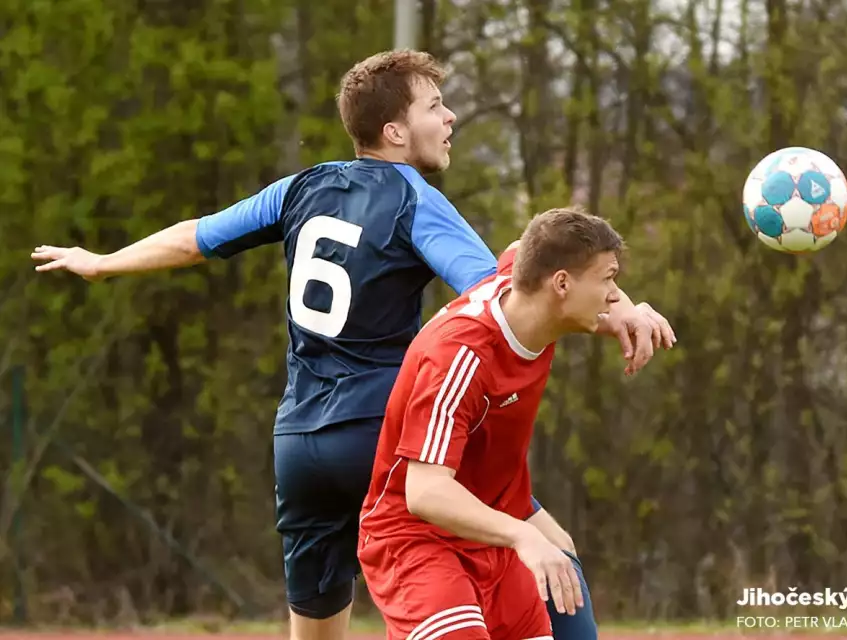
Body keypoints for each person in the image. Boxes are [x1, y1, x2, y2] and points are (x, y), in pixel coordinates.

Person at [31, 50, 675, 640]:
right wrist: (620, 305)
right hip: (380, 435)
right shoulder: (414, 199)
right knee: (535, 540)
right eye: (433, 107)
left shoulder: (302, 187)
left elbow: (196, 237)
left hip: (299, 445)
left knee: (315, 631)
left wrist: (103, 261)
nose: (450, 117)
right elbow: (514, 291)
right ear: (395, 132)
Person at [359, 207, 632, 639]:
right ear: (561, 284)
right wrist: (523, 536)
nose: (616, 295)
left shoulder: (523, 284)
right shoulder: (461, 356)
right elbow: (424, 491)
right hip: (417, 537)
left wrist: (629, 314)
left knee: (568, 584)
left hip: (495, 525)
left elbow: (526, 246)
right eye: (608, 280)